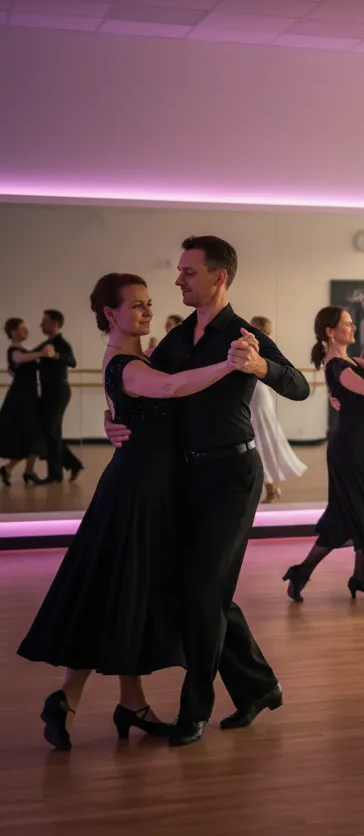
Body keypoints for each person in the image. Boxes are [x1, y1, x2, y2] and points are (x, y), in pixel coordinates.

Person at [18, 274, 247, 751]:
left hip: (145, 486)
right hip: (138, 491)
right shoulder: (126, 365)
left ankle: (126, 702)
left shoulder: (140, 359)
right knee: (118, 588)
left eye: (149, 303)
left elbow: (148, 402)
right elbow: (175, 387)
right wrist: (229, 364)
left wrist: (114, 419)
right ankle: (75, 697)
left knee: (125, 591)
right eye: (137, 305)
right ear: (110, 314)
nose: (147, 311)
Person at [104, 235, 311, 747]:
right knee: (201, 590)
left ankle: (194, 708)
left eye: (188, 272)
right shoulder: (176, 341)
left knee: (202, 591)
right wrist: (115, 422)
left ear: (219, 276)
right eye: (179, 271)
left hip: (233, 477)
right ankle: (259, 686)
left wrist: (259, 365)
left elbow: (299, 385)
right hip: (184, 477)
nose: (178, 280)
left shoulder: (244, 336)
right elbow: (146, 390)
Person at [282, 307, 364, 602]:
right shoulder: (336, 364)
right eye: (347, 324)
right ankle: (314, 572)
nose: (353, 328)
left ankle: (353, 576)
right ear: (330, 332)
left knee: (356, 512)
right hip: (349, 449)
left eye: (353, 323)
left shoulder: (348, 361)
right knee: (356, 510)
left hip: (357, 445)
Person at [249, 315, 307, 503]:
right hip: (251, 396)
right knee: (256, 440)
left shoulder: (266, 348)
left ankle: (271, 487)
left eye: (254, 326)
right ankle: (268, 487)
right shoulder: (250, 345)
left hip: (259, 396)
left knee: (263, 439)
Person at [33, 310, 85, 484]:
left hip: (58, 393)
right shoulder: (45, 344)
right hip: (48, 393)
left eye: (44, 321)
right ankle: (72, 465)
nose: (41, 325)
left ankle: (55, 475)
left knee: (51, 430)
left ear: (54, 324)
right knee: (49, 430)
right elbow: (31, 356)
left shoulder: (61, 344)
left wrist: (54, 355)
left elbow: (72, 361)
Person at [0, 317, 50, 486]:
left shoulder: (22, 350)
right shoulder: (14, 350)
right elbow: (19, 358)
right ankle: (25, 471)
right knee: (30, 435)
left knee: (34, 435)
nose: (26, 331)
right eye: (22, 328)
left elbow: (19, 364)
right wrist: (42, 353)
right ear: (13, 331)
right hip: (20, 400)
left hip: (29, 398)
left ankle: (18, 470)